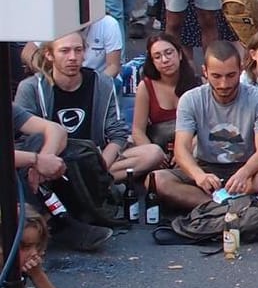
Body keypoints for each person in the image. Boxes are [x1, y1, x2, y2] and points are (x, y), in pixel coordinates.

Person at [17, 28, 163, 186]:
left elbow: (117, 135)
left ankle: (90, 182)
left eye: (78, 50)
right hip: (52, 161)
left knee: (153, 153)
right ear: (49, 55)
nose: (73, 57)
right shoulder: (31, 87)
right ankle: (84, 185)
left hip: (94, 159)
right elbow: (23, 139)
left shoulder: (102, 83)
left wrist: (101, 166)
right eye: (64, 51)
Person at [151, 41, 258, 212]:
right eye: (216, 76)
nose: (224, 84)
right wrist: (198, 175)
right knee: (156, 180)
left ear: (241, 70)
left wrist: (243, 173)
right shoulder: (191, 99)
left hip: (246, 166)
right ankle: (224, 209)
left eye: (231, 75)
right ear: (205, 72)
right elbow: (181, 149)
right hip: (206, 165)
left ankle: (210, 207)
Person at [130, 31, 199, 164]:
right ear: (152, 62)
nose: (165, 60)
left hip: (192, 148)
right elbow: (138, 131)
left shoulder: (198, 84)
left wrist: (185, 151)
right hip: (159, 150)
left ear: (179, 54)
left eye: (169, 53)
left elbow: (208, 126)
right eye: (157, 56)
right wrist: (154, 153)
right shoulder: (145, 87)